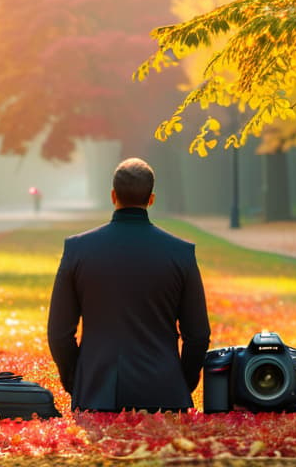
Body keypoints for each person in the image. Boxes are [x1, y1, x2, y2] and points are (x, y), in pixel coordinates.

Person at [46, 157, 210, 413]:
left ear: (113, 196)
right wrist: (181, 383)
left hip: (95, 393)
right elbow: (197, 335)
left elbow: (59, 333)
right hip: (164, 392)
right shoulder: (181, 254)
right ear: (151, 199)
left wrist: (78, 381)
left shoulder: (77, 250)